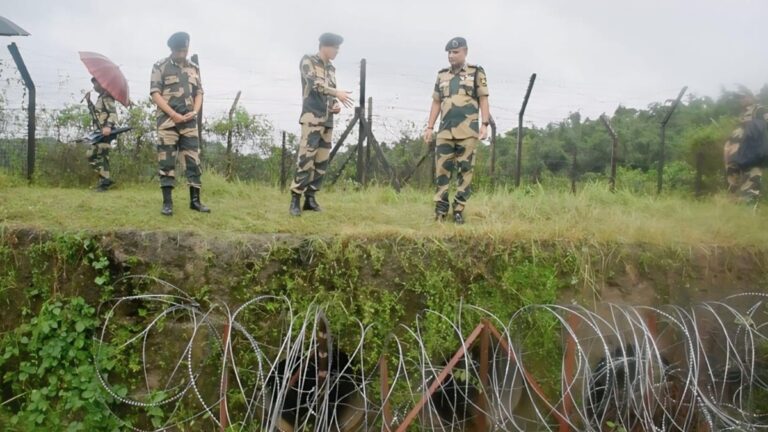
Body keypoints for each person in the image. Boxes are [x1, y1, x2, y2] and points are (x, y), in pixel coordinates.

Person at [424, 37, 490, 224]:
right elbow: (436, 101)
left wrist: (484, 124)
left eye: (456, 52)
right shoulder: (442, 75)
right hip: (445, 131)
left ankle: (459, 209)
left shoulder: (476, 72)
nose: (451, 56)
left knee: (465, 171)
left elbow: (483, 98)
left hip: (468, 131)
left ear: (465, 52)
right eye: (449, 53)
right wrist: (430, 127)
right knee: (441, 172)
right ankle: (441, 210)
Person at [288, 32, 354, 216]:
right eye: (335, 48)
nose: (337, 52)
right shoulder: (308, 61)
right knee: (306, 158)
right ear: (325, 46)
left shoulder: (332, 69)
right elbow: (315, 84)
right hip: (312, 118)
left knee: (321, 161)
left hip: (327, 120)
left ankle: (311, 198)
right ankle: (295, 198)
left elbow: (331, 93)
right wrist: (336, 94)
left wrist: (335, 105)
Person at [149, 31, 210, 216]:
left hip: (189, 123)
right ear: (171, 49)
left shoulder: (194, 68)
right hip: (168, 122)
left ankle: (195, 201)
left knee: (193, 161)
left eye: (184, 50)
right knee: (166, 161)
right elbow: (155, 93)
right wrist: (173, 114)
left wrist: (195, 111)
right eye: (178, 51)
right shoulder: (160, 66)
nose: (182, 54)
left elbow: (199, 91)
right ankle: (167, 203)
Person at [724, 86, 768, 204]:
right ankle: (735, 213)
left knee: (751, 187)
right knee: (733, 188)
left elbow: (761, 125)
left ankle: (749, 212)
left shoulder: (759, 110)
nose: (741, 99)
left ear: (751, 96)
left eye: (743, 96)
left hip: (753, 155)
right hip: (738, 157)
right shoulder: (743, 114)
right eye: (739, 97)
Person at [85, 77, 117, 192]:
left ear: (102, 83)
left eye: (95, 83)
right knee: (94, 155)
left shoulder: (107, 97)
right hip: (98, 132)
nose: (93, 86)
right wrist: (89, 102)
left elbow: (113, 114)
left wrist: (108, 126)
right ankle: (105, 180)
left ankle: (104, 182)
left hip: (105, 131)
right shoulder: (100, 98)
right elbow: (95, 116)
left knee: (100, 154)